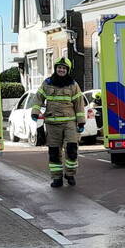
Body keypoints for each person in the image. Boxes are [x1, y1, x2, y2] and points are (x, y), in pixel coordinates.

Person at [32, 57, 85, 188]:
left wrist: (81, 122)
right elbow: (38, 98)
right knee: (54, 153)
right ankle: (57, 178)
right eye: (59, 68)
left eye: (64, 68)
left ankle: (70, 174)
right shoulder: (47, 83)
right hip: (52, 124)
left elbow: (79, 104)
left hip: (69, 123)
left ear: (67, 70)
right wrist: (35, 111)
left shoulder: (73, 85)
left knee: (71, 150)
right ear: (55, 69)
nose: (61, 70)